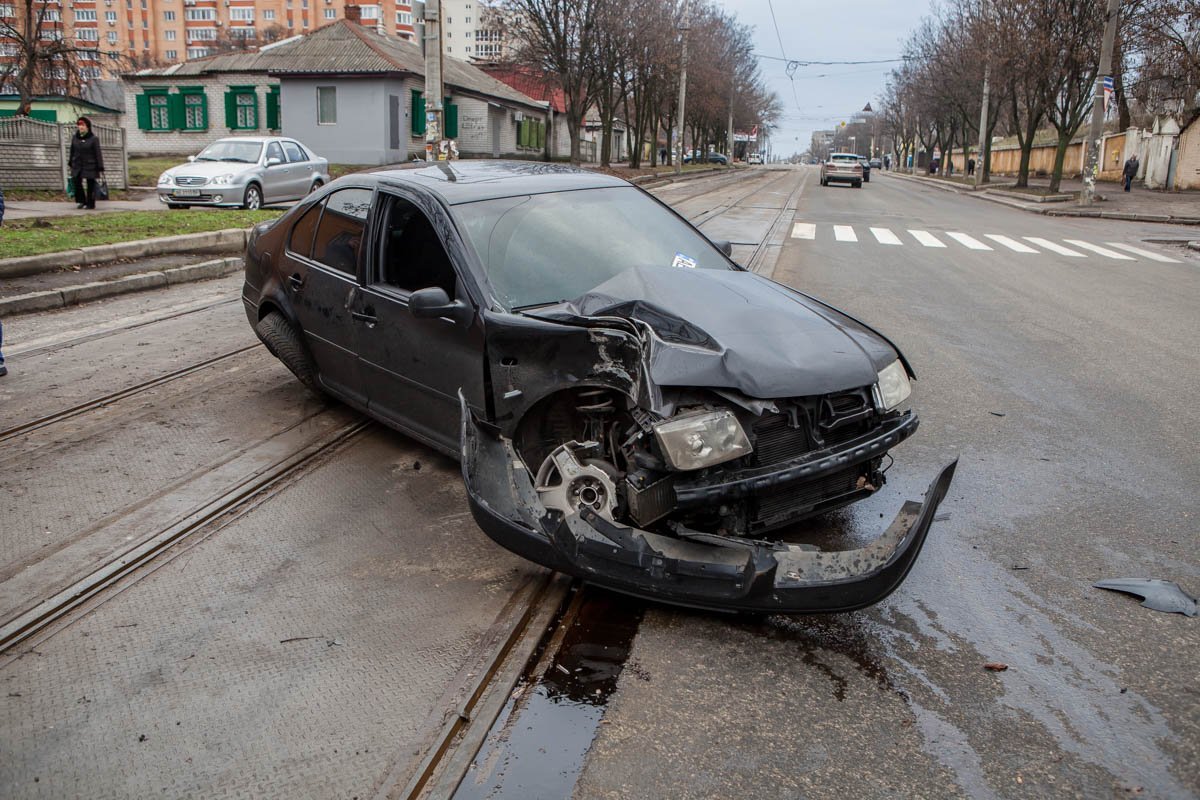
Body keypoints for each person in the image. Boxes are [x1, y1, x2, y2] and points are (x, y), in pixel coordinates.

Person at [69, 116, 104, 210]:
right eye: (79, 125)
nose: (81, 127)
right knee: (76, 181)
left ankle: (90, 203)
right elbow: (72, 151)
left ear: (87, 126)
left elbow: (98, 153)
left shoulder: (93, 139)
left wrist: (100, 166)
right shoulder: (75, 138)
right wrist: (70, 162)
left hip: (90, 165)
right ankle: (82, 201)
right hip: (77, 164)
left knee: (90, 184)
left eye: (83, 125)